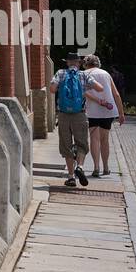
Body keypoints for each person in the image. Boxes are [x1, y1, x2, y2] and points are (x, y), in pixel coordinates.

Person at [50, 53, 107, 188]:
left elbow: (52, 89)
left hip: (63, 115)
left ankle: (70, 177)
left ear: (67, 63)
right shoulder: (83, 75)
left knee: (66, 145)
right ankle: (80, 167)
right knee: (81, 144)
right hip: (80, 115)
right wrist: (85, 88)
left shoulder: (61, 73)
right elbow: (100, 88)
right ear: (79, 63)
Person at [82, 53, 125, 177]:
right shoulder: (106, 74)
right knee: (105, 139)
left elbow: (83, 92)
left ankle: (96, 167)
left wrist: (96, 100)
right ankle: (106, 167)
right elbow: (116, 94)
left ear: (86, 64)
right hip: (108, 111)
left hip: (92, 110)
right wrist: (121, 113)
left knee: (94, 139)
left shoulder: (84, 74)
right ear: (98, 63)